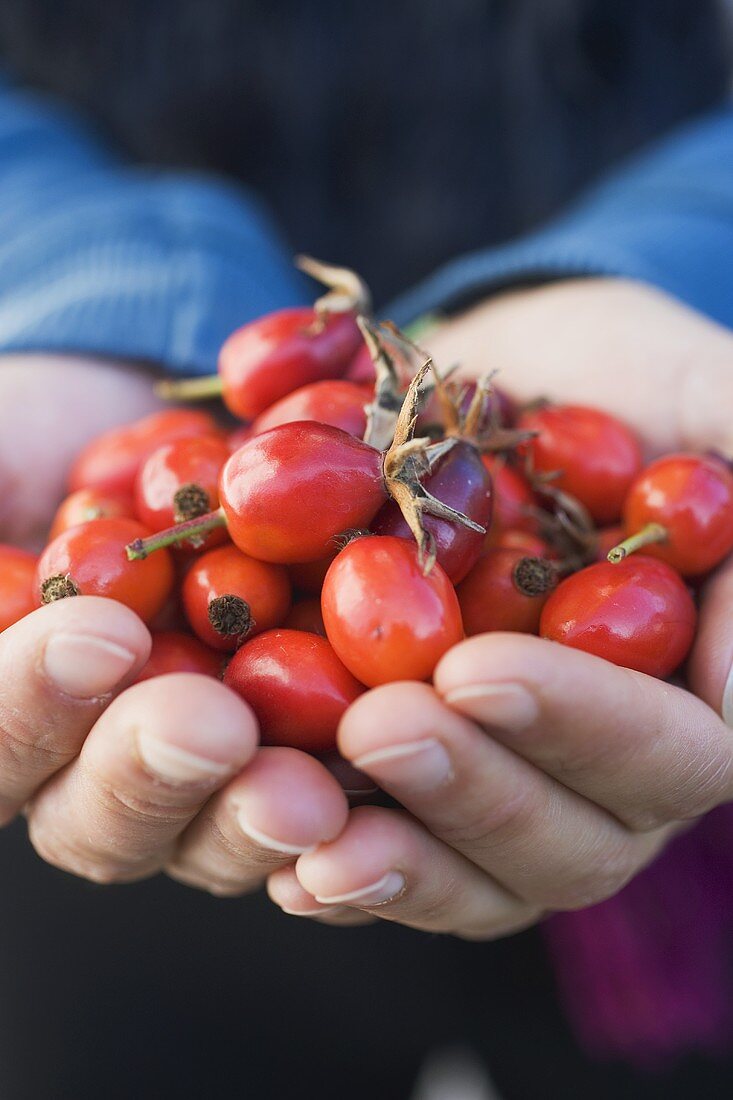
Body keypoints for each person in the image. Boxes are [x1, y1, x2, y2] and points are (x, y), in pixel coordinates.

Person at [1, 2, 733, 1097]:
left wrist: (681, 260)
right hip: (132, 887)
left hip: (661, 866)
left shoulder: (446, 522)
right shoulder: (238, 525)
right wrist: (85, 290)